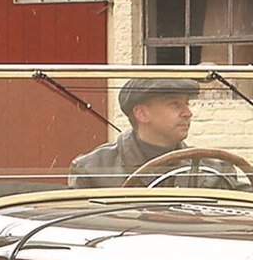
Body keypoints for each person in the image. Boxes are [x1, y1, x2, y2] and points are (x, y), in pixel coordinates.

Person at [68, 76, 197, 188]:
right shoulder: (92, 170)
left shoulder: (209, 169)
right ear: (142, 114)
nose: (188, 113)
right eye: (175, 104)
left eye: (187, 103)